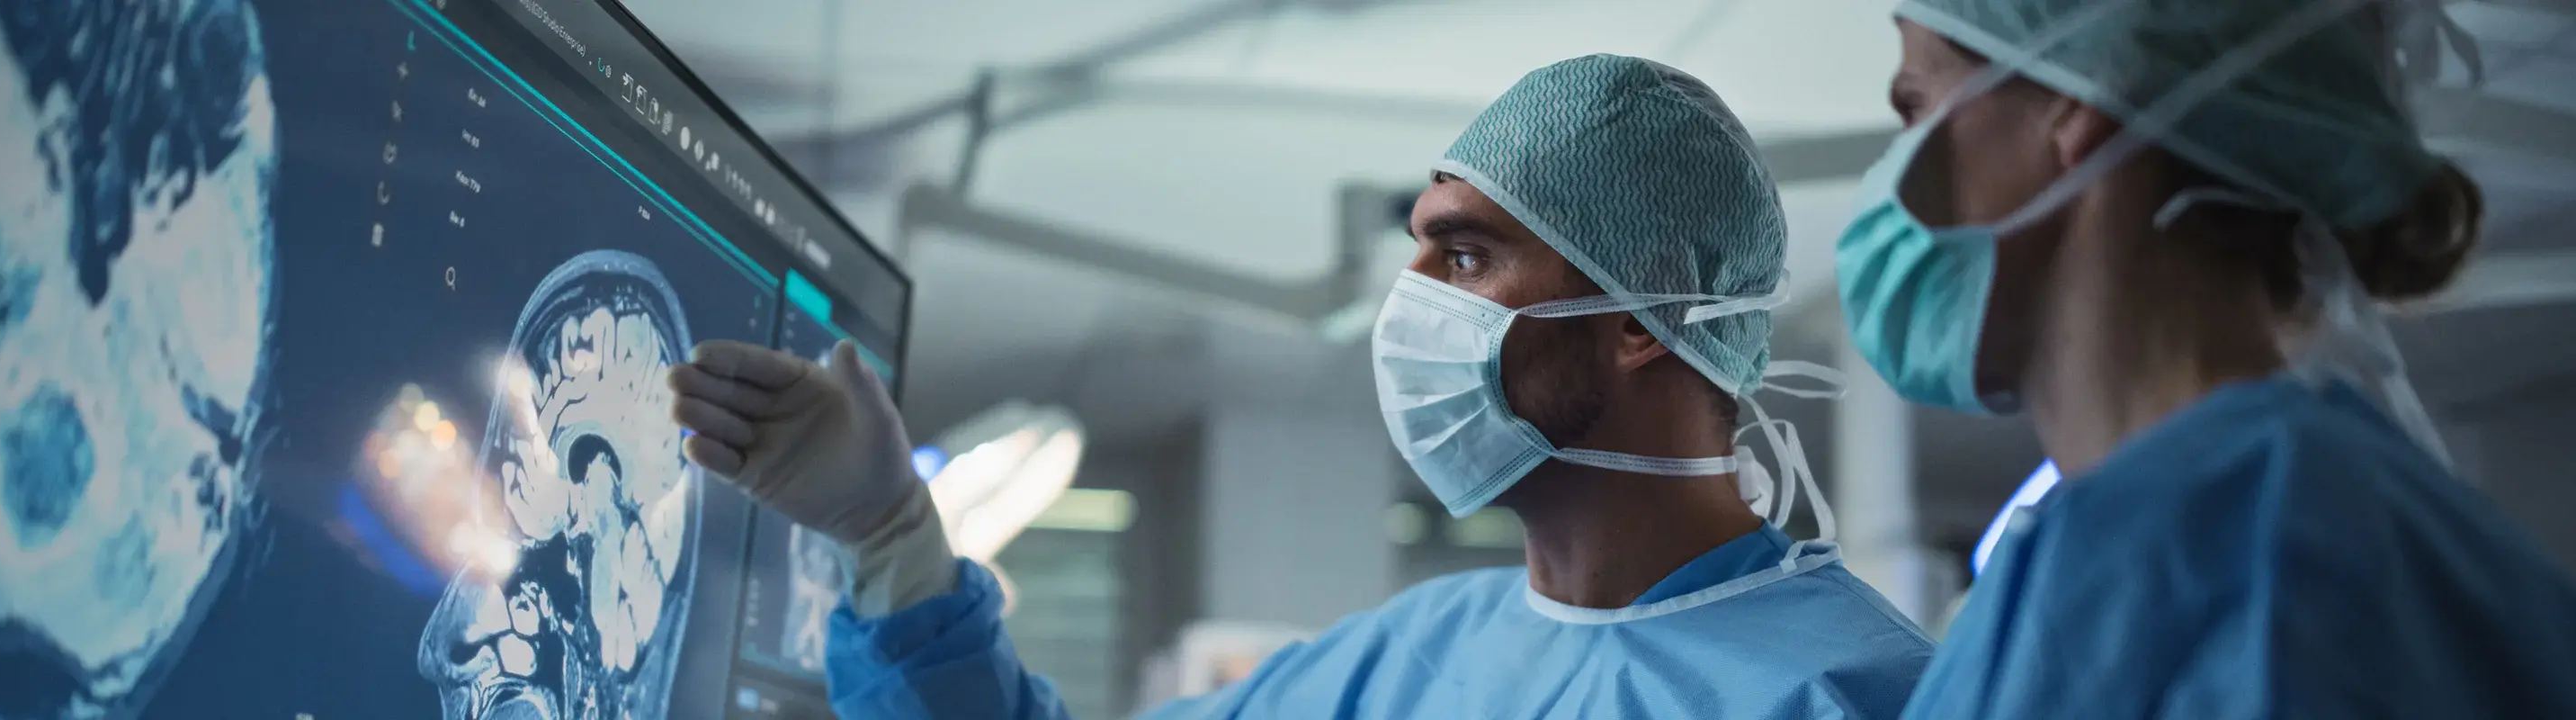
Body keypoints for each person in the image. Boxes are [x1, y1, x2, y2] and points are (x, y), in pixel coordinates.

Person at [667, 54, 1935, 719]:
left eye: (1467, 254)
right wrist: (890, 539)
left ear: (1646, 312)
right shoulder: (1408, 664)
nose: (1413, 308)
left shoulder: (1851, 695)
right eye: (1420, 252)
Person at [1830, 0, 2576, 716]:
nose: (1894, 167)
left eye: (1917, 103)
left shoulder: (2271, 565)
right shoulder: (2077, 560)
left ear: (2070, 105)